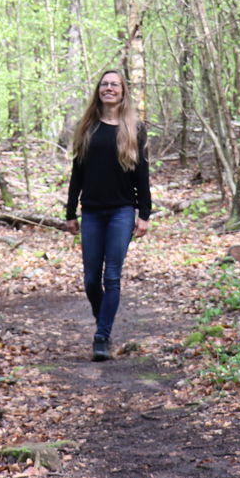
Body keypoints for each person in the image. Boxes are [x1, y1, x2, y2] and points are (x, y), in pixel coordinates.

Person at [64, 69, 152, 362]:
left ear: (123, 91)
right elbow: (77, 172)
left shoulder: (135, 128)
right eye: (105, 84)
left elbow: (142, 174)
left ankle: (101, 337)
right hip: (91, 212)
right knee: (91, 279)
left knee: (111, 276)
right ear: (98, 90)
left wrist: (144, 213)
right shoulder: (87, 127)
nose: (109, 88)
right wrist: (70, 211)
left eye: (115, 84)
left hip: (121, 211)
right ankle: (103, 320)